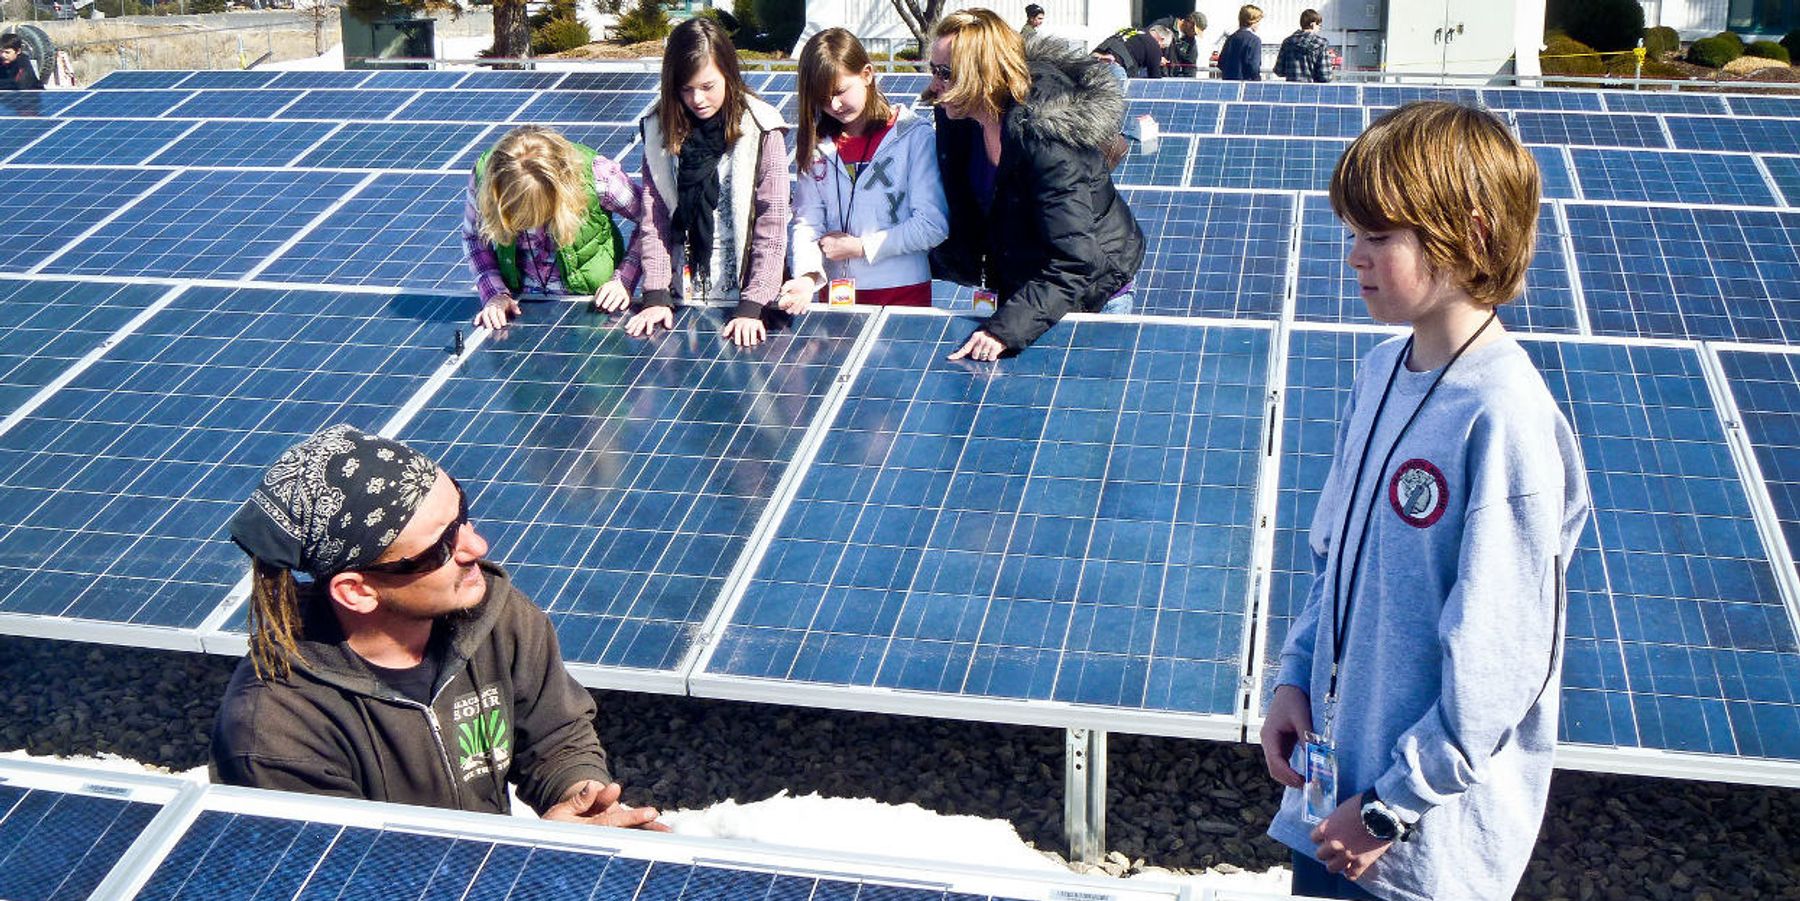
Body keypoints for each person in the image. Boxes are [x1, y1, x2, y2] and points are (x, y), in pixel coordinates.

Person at [1259, 102, 1591, 901]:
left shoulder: (1503, 414)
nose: (1354, 256)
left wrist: (1389, 806)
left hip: (1415, 843)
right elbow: (1333, 559)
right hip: (1332, 802)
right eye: (1353, 233)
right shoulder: (1380, 370)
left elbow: (1501, 660)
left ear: (1468, 235)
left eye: (1379, 236)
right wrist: (1294, 676)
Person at [211, 425, 666, 831]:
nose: (477, 546)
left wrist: (580, 799)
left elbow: (555, 736)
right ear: (357, 591)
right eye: (439, 548)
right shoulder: (274, 733)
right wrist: (528, 856)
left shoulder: (496, 617)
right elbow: (344, 876)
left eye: (462, 515)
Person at [927, 8, 1144, 360]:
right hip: (1029, 286)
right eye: (933, 70)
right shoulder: (961, 119)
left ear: (983, 74)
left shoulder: (1045, 135)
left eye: (946, 74)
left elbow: (1075, 261)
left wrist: (1003, 330)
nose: (934, 86)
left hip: (1091, 292)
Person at [624, 16, 791, 348]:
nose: (697, 99)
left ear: (728, 74)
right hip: (680, 299)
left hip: (747, 305)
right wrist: (655, 294)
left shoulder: (762, 127)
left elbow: (772, 223)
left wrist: (753, 304)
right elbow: (655, 217)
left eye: (707, 86)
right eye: (686, 89)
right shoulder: (658, 128)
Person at [787, 28, 948, 309]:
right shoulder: (817, 144)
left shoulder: (913, 135)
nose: (834, 105)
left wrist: (861, 247)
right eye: (822, 98)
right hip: (835, 297)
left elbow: (932, 225)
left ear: (867, 74)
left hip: (902, 292)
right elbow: (807, 221)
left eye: (840, 91)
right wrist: (807, 277)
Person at [463, 125, 642, 331]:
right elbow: (474, 238)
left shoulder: (597, 177)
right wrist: (495, 293)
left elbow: (651, 223)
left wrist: (623, 280)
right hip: (520, 309)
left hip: (593, 309)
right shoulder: (486, 178)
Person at [1274, 9, 1334, 83]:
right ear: (1313, 24)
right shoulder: (1320, 43)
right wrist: (1330, 66)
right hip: (1312, 88)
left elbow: (1279, 71)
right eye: (1319, 25)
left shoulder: (1287, 42)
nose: (1319, 29)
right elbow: (1326, 77)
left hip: (1291, 88)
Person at [1093, 24, 1171, 78]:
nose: (1160, 49)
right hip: (1115, 68)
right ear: (1161, 39)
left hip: (1094, 62)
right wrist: (1156, 61)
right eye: (1162, 47)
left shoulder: (1131, 31)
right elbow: (1154, 77)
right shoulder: (1154, 45)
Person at [1218, 5, 1264, 81]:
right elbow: (1254, 67)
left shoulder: (1231, 38)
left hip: (1228, 83)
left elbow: (1221, 63)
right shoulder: (1254, 40)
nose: (1259, 24)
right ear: (1253, 21)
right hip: (1246, 83)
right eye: (1258, 21)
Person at [1154, 12, 1208, 77]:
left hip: (1172, 78)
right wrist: (1156, 57)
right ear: (1189, 21)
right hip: (1154, 74)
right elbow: (1146, 43)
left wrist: (1189, 81)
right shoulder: (1163, 25)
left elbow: (1190, 66)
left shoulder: (1191, 42)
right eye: (1194, 30)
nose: (1195, 34)